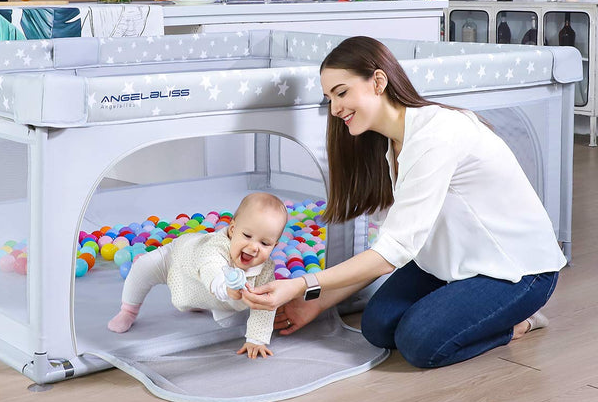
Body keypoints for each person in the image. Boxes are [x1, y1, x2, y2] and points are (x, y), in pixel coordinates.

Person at [242, 36, 566, 369]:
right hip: (452, 264)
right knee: (377, 326)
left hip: (518, 270)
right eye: (329, 98)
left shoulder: (435, 135)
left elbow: (390, 254)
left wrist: (302, 285)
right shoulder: (388, 145)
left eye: (341, 92)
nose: (335, 108)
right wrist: (317, 304)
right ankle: (468, 310)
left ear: (378, 82)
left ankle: (518, 323)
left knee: (418, 343)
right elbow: (390, 247)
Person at [108, 191, 288, 359]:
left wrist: (256, 340)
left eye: (265, 243)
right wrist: (225, 287)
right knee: (143, 267)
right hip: (178, 260)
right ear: (232, 229)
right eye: (247, 235)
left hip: (211, 295)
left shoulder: (265, 270)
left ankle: (204, 304)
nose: (254, 247)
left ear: (274, 245)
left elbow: (264, 305)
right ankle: (128, 310)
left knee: (232, 322)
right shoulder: (215, 248)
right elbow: (211, 269)